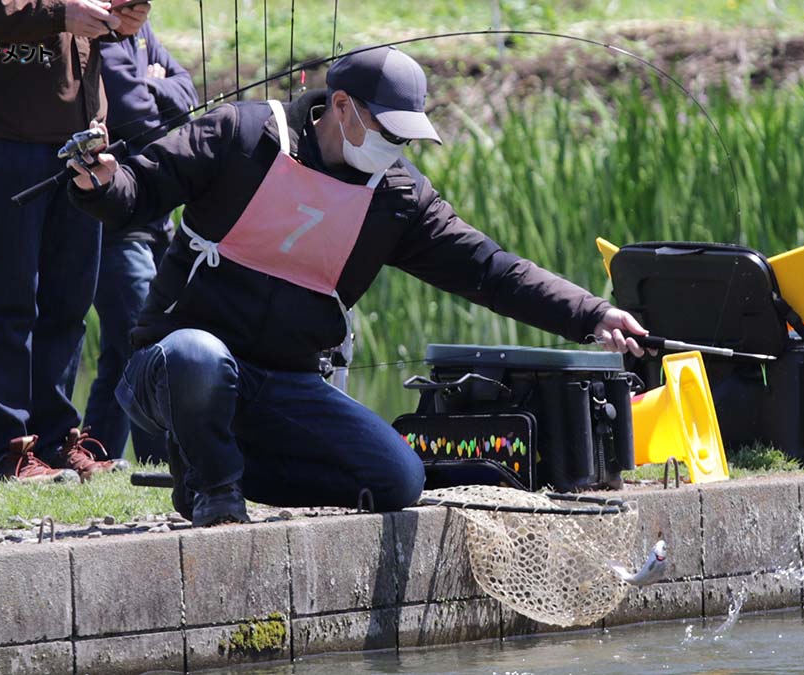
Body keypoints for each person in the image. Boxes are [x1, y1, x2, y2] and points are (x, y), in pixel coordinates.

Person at [67, 46, 651, 526]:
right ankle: (212, 492)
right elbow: (135, 193)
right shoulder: (241, 135)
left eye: (406, 138)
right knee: (199, 356)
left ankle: (224, 465)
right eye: (386, 131)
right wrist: (99, 183)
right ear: (341, 107)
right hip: (171, 370)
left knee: (397, 480)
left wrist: (591, 313)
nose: (394, 149)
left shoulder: (400, 199)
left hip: (284, 384)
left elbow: (489, 270)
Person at [0, 0, 149, 488]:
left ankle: (54, 440)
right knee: (6, 297)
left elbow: (74, 24)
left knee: (68, 301)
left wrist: (113, 21)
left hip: (82, 135)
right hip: (6, 133)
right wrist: (59, 14)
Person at [86, 18, 197, 464]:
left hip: (159, 217)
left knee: (121, 348)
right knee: (141, 339)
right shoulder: (99, 37)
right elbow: (135, 113)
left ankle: (95, 455)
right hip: (118, 221)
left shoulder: (142, 31)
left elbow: (186, 92)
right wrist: (154, 86)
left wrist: (156, 86)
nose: (141, 12)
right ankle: (159, 460)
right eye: (132, 5)